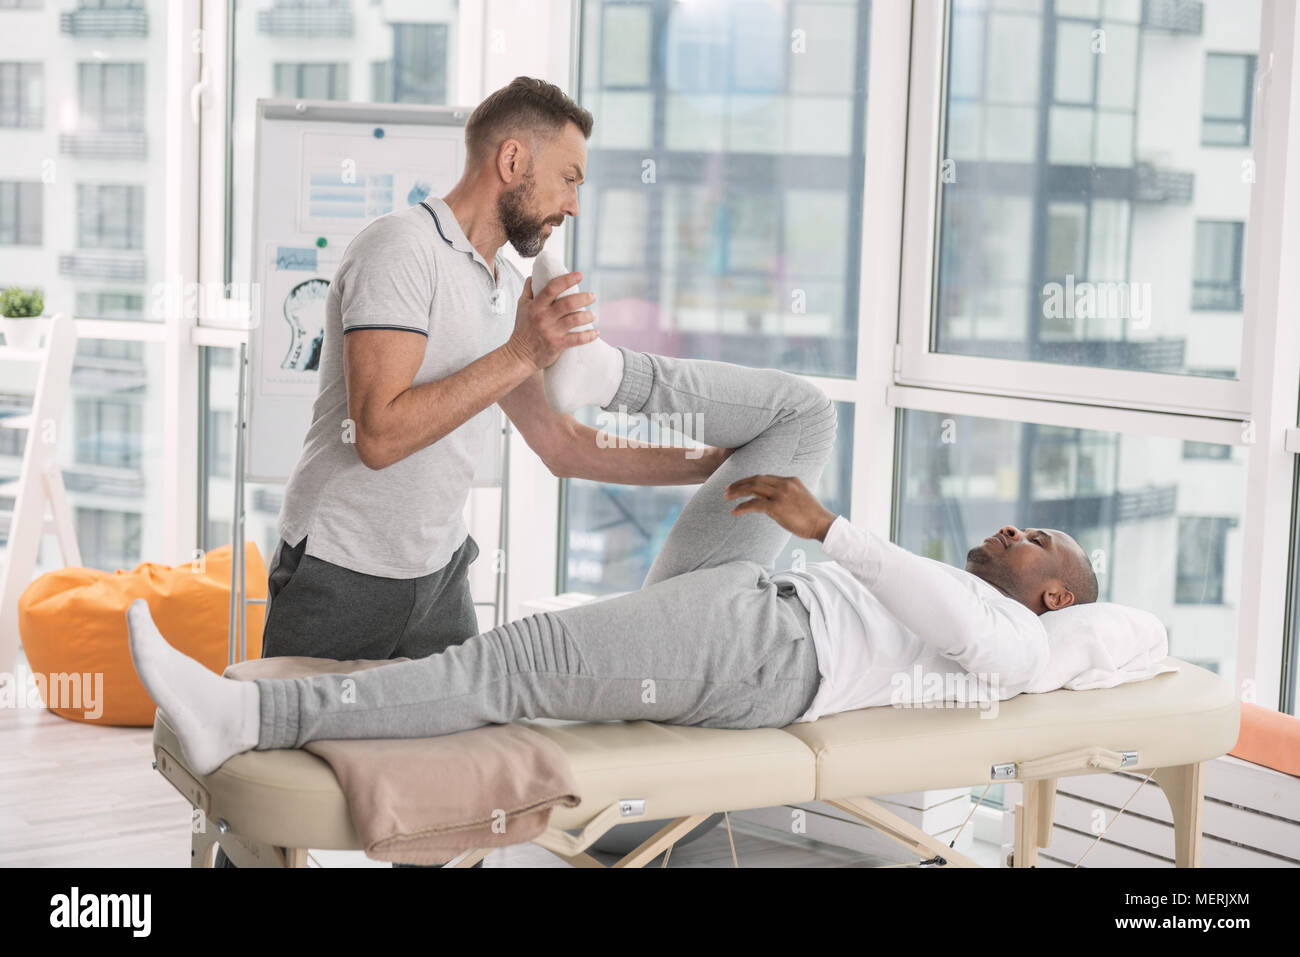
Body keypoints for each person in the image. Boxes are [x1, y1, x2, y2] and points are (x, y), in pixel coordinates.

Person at [128, 344, 1098, 778]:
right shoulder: (972, 604)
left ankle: (251, 717)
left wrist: (830, 531)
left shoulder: (1019, 640)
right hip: (749, 597)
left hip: (766, 649)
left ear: (1054, 595)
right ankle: (613, 373)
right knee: (803, 412)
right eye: (1018, 524)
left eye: (1036, 541)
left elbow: (991, 651)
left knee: (513, 663)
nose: (1013, 532)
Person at [262, 75, 733, 663]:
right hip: (343, 566)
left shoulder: (508, 287)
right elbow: (378, 437)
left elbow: (561, 445)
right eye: (569, 179)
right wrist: (522, 352)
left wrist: (714, 467)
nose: (573, 206)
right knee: (300, 748)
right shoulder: (400, 250)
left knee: (456, 748)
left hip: (440, 572)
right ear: (512, 159)